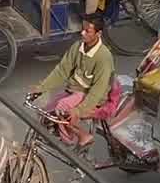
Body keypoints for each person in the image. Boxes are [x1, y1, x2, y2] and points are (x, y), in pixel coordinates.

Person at [27, 15, 115, 145]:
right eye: (82, 29)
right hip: (74, 90)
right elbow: (62, 71)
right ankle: (61, 134)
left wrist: (79, 110)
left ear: (99, 33)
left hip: (92, 95)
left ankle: (77, 138)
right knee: (45, 112)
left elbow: (98, 90)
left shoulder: (104, 57)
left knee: (62, 107)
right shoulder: (77, 46)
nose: (82, 33)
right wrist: (42, 87)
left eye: (87, 31)